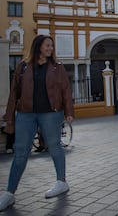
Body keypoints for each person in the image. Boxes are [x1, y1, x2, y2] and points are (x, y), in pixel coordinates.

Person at [0, 34, 74, 212]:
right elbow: (14, 93)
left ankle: (61, 182)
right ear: (38, 46)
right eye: (47, 45)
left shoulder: (57, 67)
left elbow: (65, 88)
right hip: (26, 114)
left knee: (55, 146)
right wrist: (9, 116)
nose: (50, 48)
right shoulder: (23, 67)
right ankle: (9, 193)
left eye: (52, 46)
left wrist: (69, 112)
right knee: (20, 152)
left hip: (51, 113)